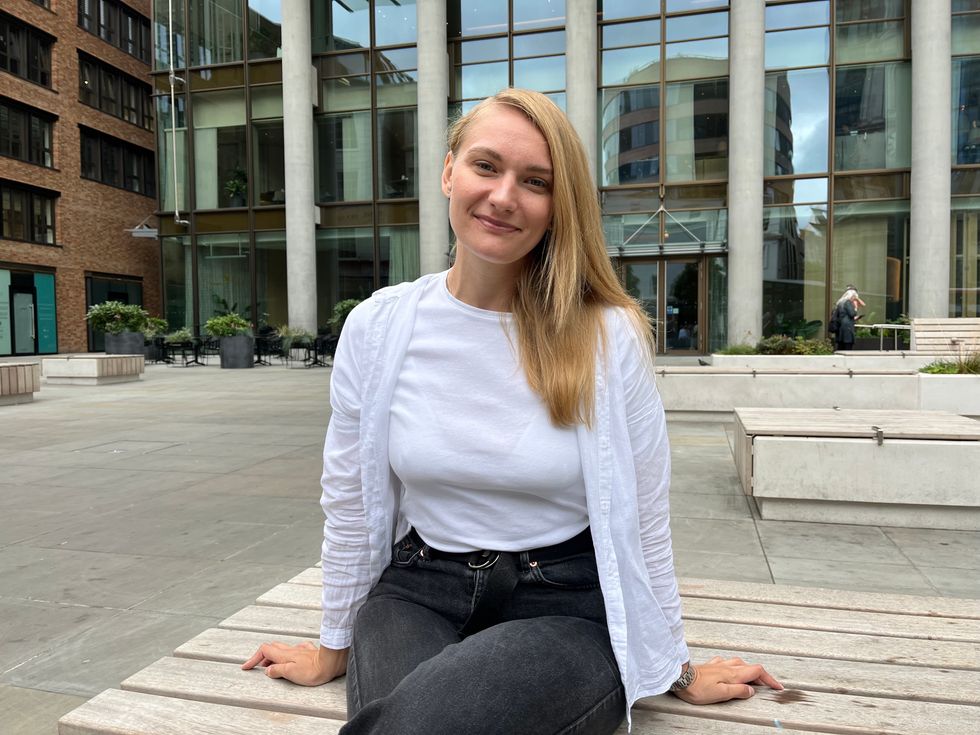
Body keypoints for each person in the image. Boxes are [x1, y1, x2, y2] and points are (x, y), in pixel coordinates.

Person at [242, 88, 781, 734]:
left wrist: (675, 665)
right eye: (486, 166)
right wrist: (335, 643)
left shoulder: (607, 334)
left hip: (565, 604)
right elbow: (350, 502)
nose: (503, 196)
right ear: (449, 171)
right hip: (418, 590)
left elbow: (644, 512)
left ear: (558, 206)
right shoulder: (378, 326)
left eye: (535, 181)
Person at [832, 286, 866, 351]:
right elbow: (852, 314)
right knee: (848, 345)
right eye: (854, 297)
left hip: (841, 326)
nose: (854, 299)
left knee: (841, 346)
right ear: (851, 296)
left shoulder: (840, 302)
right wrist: (855, 308)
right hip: (847, 327)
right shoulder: (847, 302)